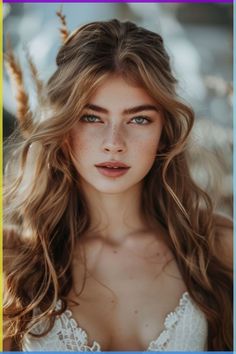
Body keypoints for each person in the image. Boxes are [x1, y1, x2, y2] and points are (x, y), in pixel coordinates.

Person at [3, 13, 233, 352]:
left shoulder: (216, 246)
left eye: (139, 118)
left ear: (164, 132)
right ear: (64, 127)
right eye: (91, 117)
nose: (114, 142)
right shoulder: (12, 257)